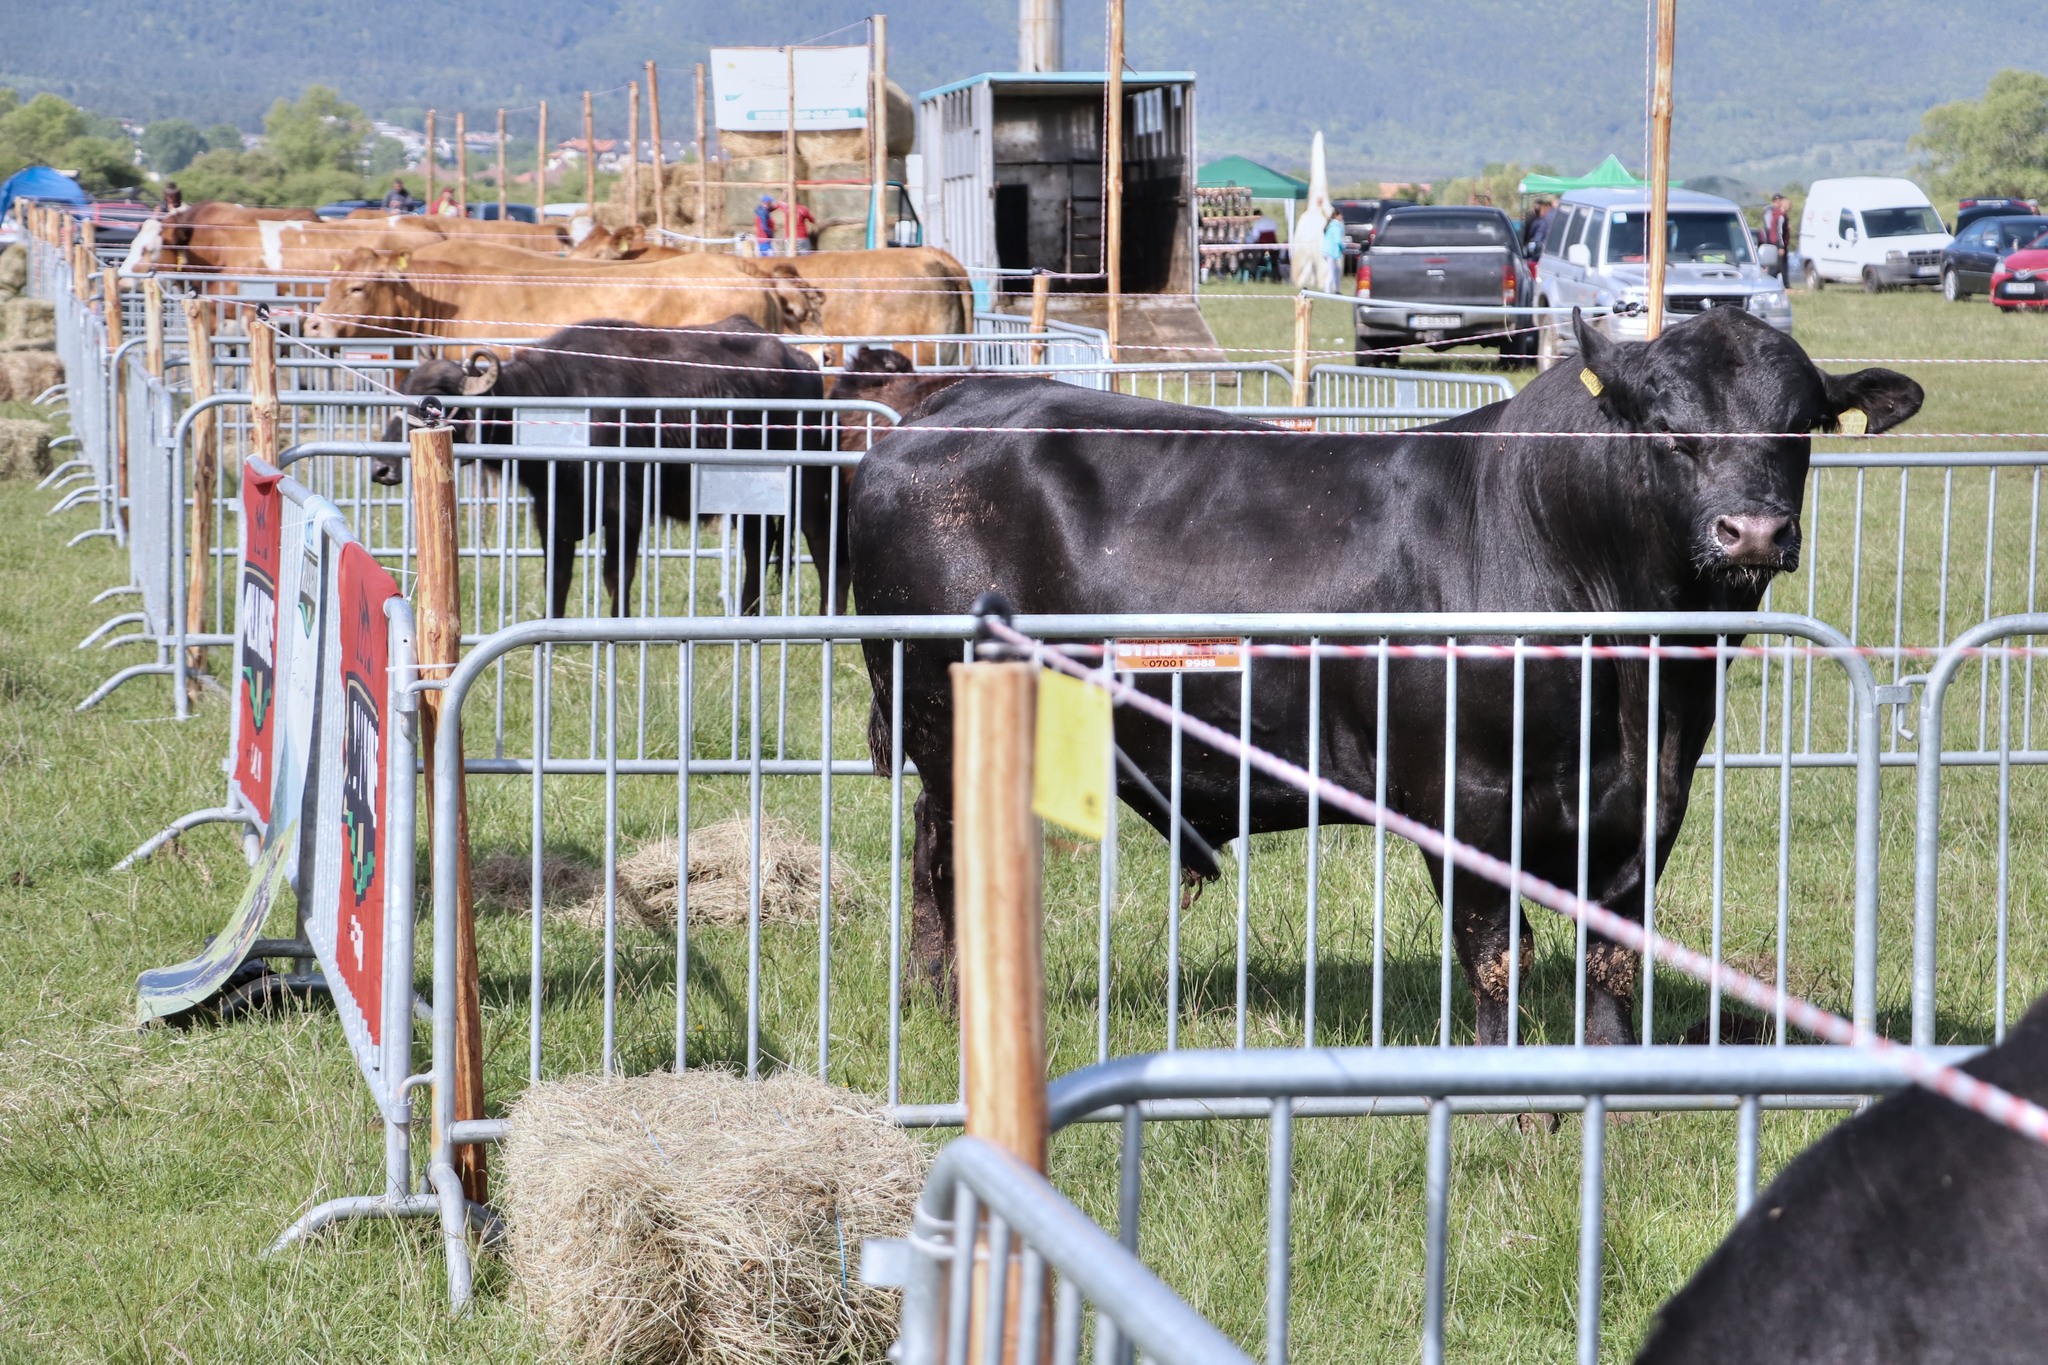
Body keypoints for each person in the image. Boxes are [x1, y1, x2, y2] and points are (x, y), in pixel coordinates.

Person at [1760, 193, 1790, 283]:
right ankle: (1779, 282)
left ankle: (1783, 282)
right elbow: (1776, 230)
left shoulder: (1776, 213)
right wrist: (1780, 246)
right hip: (1774, 241)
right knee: (1777, 264)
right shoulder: (1776, 214)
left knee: (1780, 264)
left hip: (1775, 241)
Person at [1321, 209, 1345, 290]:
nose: (1342, 217)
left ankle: (1337, 289)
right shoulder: (1336, 226)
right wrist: (1343, 248)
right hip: (1331, 252)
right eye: (1340, 215)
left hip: (1326, 251)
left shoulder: (1330, 225)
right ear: (1337, 216)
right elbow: (1338, 240)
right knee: (1331, 272)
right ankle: (1327, 292)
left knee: (1337, 270)